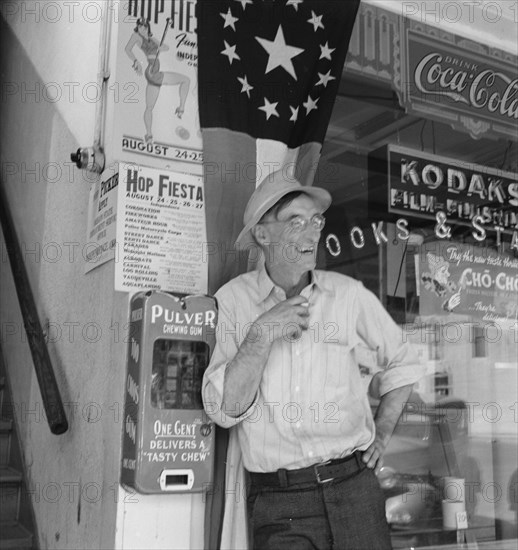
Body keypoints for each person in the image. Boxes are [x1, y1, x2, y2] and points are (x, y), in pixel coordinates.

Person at [202, 170, 425, 550]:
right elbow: (223, 410)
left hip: (355, 488)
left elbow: (405, 361)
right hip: (280, 501)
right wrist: (260, 334)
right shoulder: (233, 301)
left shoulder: (347, 296)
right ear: (262, 233)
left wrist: (384, 428)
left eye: (316, 221)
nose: (311, 233)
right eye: (295, 221)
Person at [124, 18, 190, 144]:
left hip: (155, 72)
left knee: (149, 107)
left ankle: (149, 134)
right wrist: (135, 61)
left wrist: (156, 42)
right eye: (140, 26)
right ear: (137, 28)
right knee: (185, 80)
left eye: (145, 26)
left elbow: (165, 47)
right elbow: (127, 49)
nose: (143, 28)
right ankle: (180, 109)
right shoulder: (136, 36)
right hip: (152, 72)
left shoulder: (151, 38)